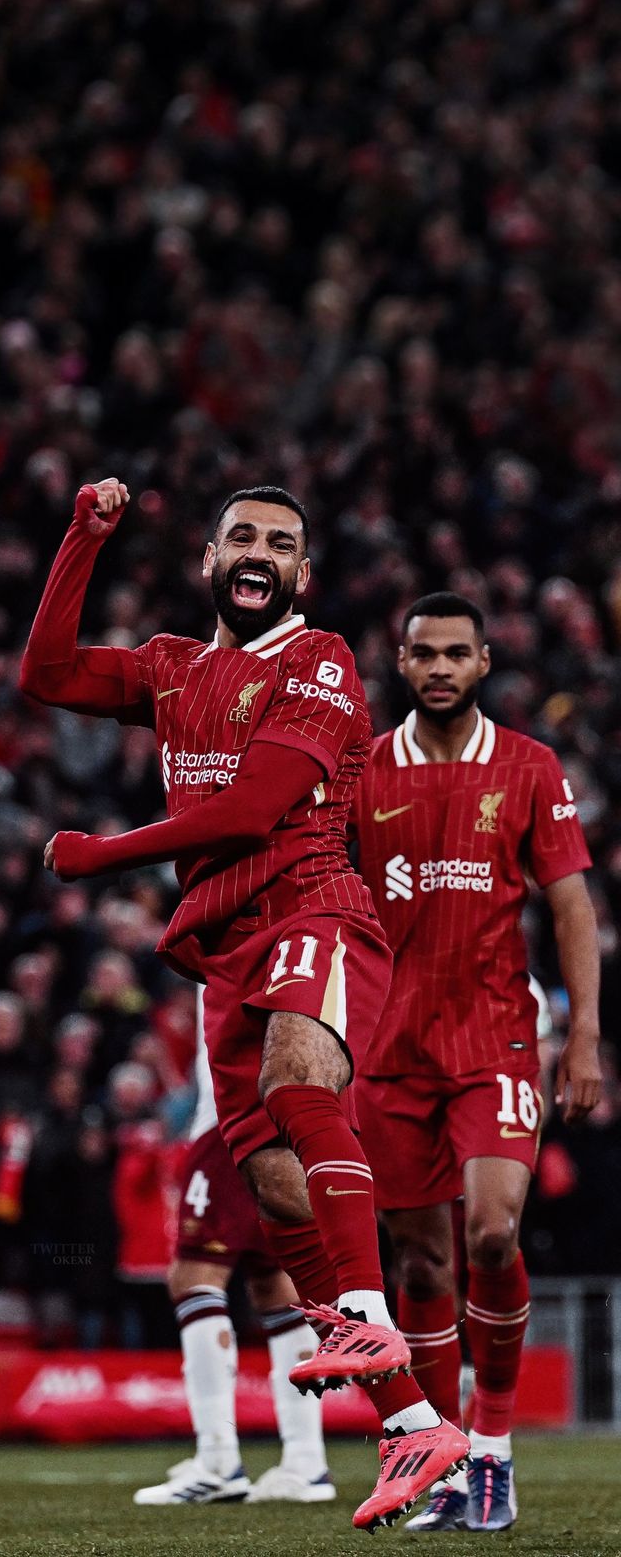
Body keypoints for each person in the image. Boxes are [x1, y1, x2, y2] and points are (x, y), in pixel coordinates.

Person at [20, 479, 469, 1529]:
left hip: (314, 905)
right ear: (212, 559)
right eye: (241, 537)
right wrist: (82, 539)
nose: (258, 552)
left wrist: (102, 854)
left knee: (297, 1086)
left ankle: (361, 1319)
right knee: (274, 1189)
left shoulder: (320, 660)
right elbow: (45, 672)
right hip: (223, 950)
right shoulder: (176, 665)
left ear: (302, 574)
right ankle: (413, 1424)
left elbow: (255, 806)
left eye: (280, 542)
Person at [351, 591, 601, 1532]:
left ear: (485, 661)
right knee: (418, 1269)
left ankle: (494, 1453)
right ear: (402, 661)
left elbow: (572, 907)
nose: (442, 667)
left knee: (492, 1234)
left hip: (495, 1033)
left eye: (459, 653)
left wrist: (582, 1037)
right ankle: (445, 1458)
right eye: (426, 654)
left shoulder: (529, 766)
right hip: (388, 1046)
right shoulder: (365, 771)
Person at [134, 991, 334, 1505]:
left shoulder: (237, 919)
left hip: (233, 1115)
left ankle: (219, 1458)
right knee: (275, 1281)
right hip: (284, 1118)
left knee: (194, 1274)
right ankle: (306, 1461)